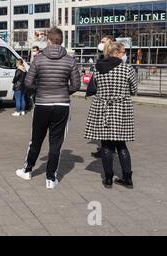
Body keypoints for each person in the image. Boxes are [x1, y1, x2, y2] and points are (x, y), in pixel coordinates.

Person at [16, 27, 81, 189]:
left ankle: (28, 170)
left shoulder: (38, 59)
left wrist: (39, 91)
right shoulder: (70, 60)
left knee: (36, 140)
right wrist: (64, 92)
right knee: (56, 143)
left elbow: (28, 82)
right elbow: (76, 85)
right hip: (62, 105)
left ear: (48, 40)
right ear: (62, 41)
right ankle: (51, 179)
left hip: (42, 104)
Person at [84, 42, 137, 189]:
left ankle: (108, 178)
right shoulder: (127, 68)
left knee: (106, 144)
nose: (124, 55)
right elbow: (134, 89)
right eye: (123, 52)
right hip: (121, 109)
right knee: (121, 145)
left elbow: (94, 86)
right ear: (117, 53)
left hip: (102, 108)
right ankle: (127, 178)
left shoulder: (97, 67)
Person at [91, 35, 116, 159]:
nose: (100, 44)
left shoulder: (118, 57)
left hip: (110, 97)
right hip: (106, 96)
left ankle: (107, 149)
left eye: (103, 41)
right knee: (105, 126)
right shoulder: (101, 58)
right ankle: (105, 148)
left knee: (109, 126)